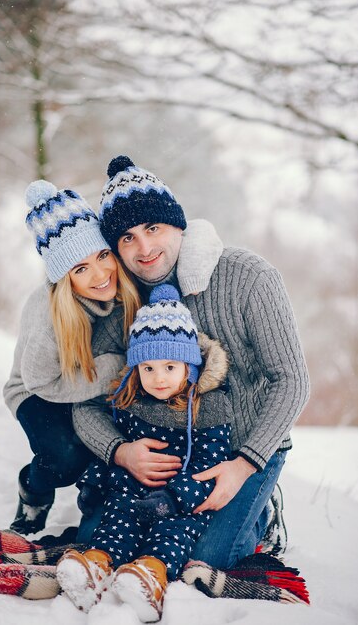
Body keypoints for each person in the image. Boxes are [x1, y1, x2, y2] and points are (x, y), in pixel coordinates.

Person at [72, 155, 311, 572]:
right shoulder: (122, 306)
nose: (144, 248)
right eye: (126, 238)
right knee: (95, 543)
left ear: (177, 225)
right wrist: (120, 451)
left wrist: (245, 464)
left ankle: (259, 513)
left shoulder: (248, 277)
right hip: (156, 451)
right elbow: (86, 402)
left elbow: (291, 380)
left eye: (153, 228)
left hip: (242, 449)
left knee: (202, 560)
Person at [56, 284, 231, 621]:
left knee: (173, 533)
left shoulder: (208, 407)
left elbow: (211, 465)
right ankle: (96, 564)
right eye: (148, 368)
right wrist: (102, 479)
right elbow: (119, 442)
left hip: (180, 499)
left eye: (170, 367)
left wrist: (175, 498)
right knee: (115, 520)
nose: (159, 378)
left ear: (189, 366)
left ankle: (151, 573)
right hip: (133, 487)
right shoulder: (130, 400)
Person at [3, 179, 140, 535]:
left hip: (87, 383)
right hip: (37, 389)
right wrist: (114, 369)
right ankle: (32, 490)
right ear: (65, 278)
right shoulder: (49, 317)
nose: (100, 274)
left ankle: (97, 508)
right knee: (66, 456)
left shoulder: (124, 289)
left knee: (106, 441)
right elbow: (40, 380)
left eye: (102, 256)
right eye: (80, 269)